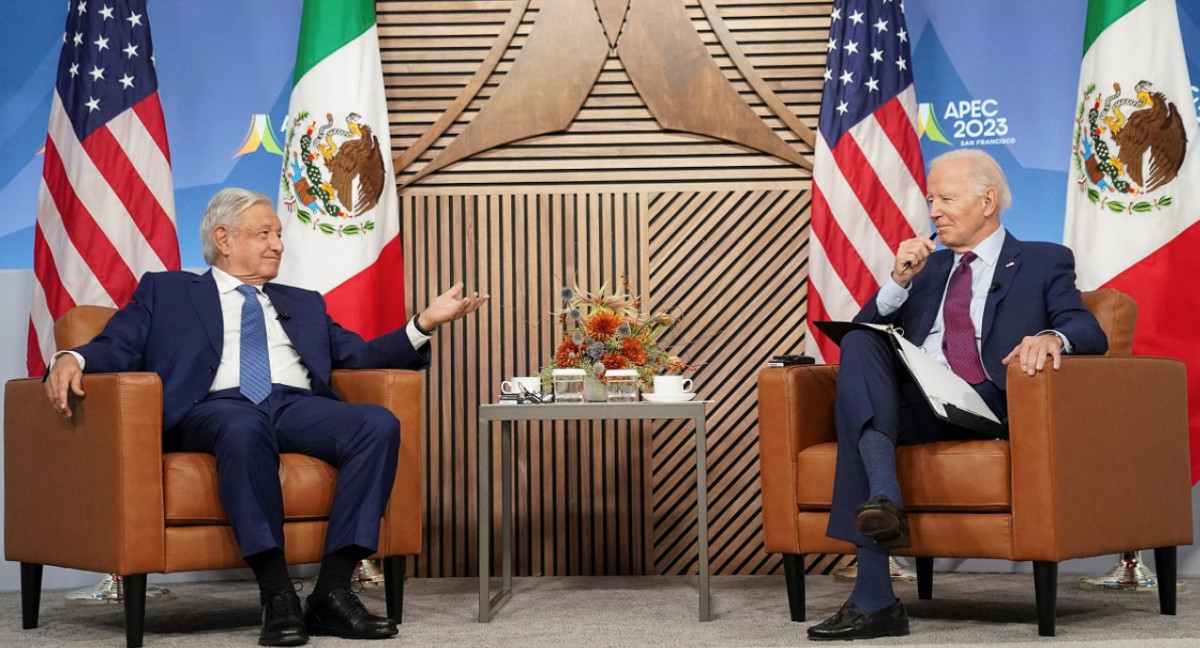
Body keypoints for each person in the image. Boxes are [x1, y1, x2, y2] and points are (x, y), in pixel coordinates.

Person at [43, 188, 488, 647]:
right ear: (224, 238)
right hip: (215, 406)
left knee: (376, 423)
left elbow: (362, 355)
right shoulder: (168, 290)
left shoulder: (305, 301)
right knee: (243, 425)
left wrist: (424, 323)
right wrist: (72, 356)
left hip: (295, 404)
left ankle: (333, 591)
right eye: (264, 233)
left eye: (278, 234)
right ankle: (277, 594)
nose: (278, 243)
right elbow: (119, 342)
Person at [807, 149, 1108, 641]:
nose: (934, 211)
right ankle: (883, 503)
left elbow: (1087, 329)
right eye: (930, 200)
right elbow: (860, 345)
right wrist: (897, 283)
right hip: (918, 401)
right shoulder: (925, 269)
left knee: (862, 424)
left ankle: (873, 594)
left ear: (987, 201)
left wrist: (1052, 338)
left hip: (984, 400)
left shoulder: (1043, 259)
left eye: (946, 198)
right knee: (862, 339)